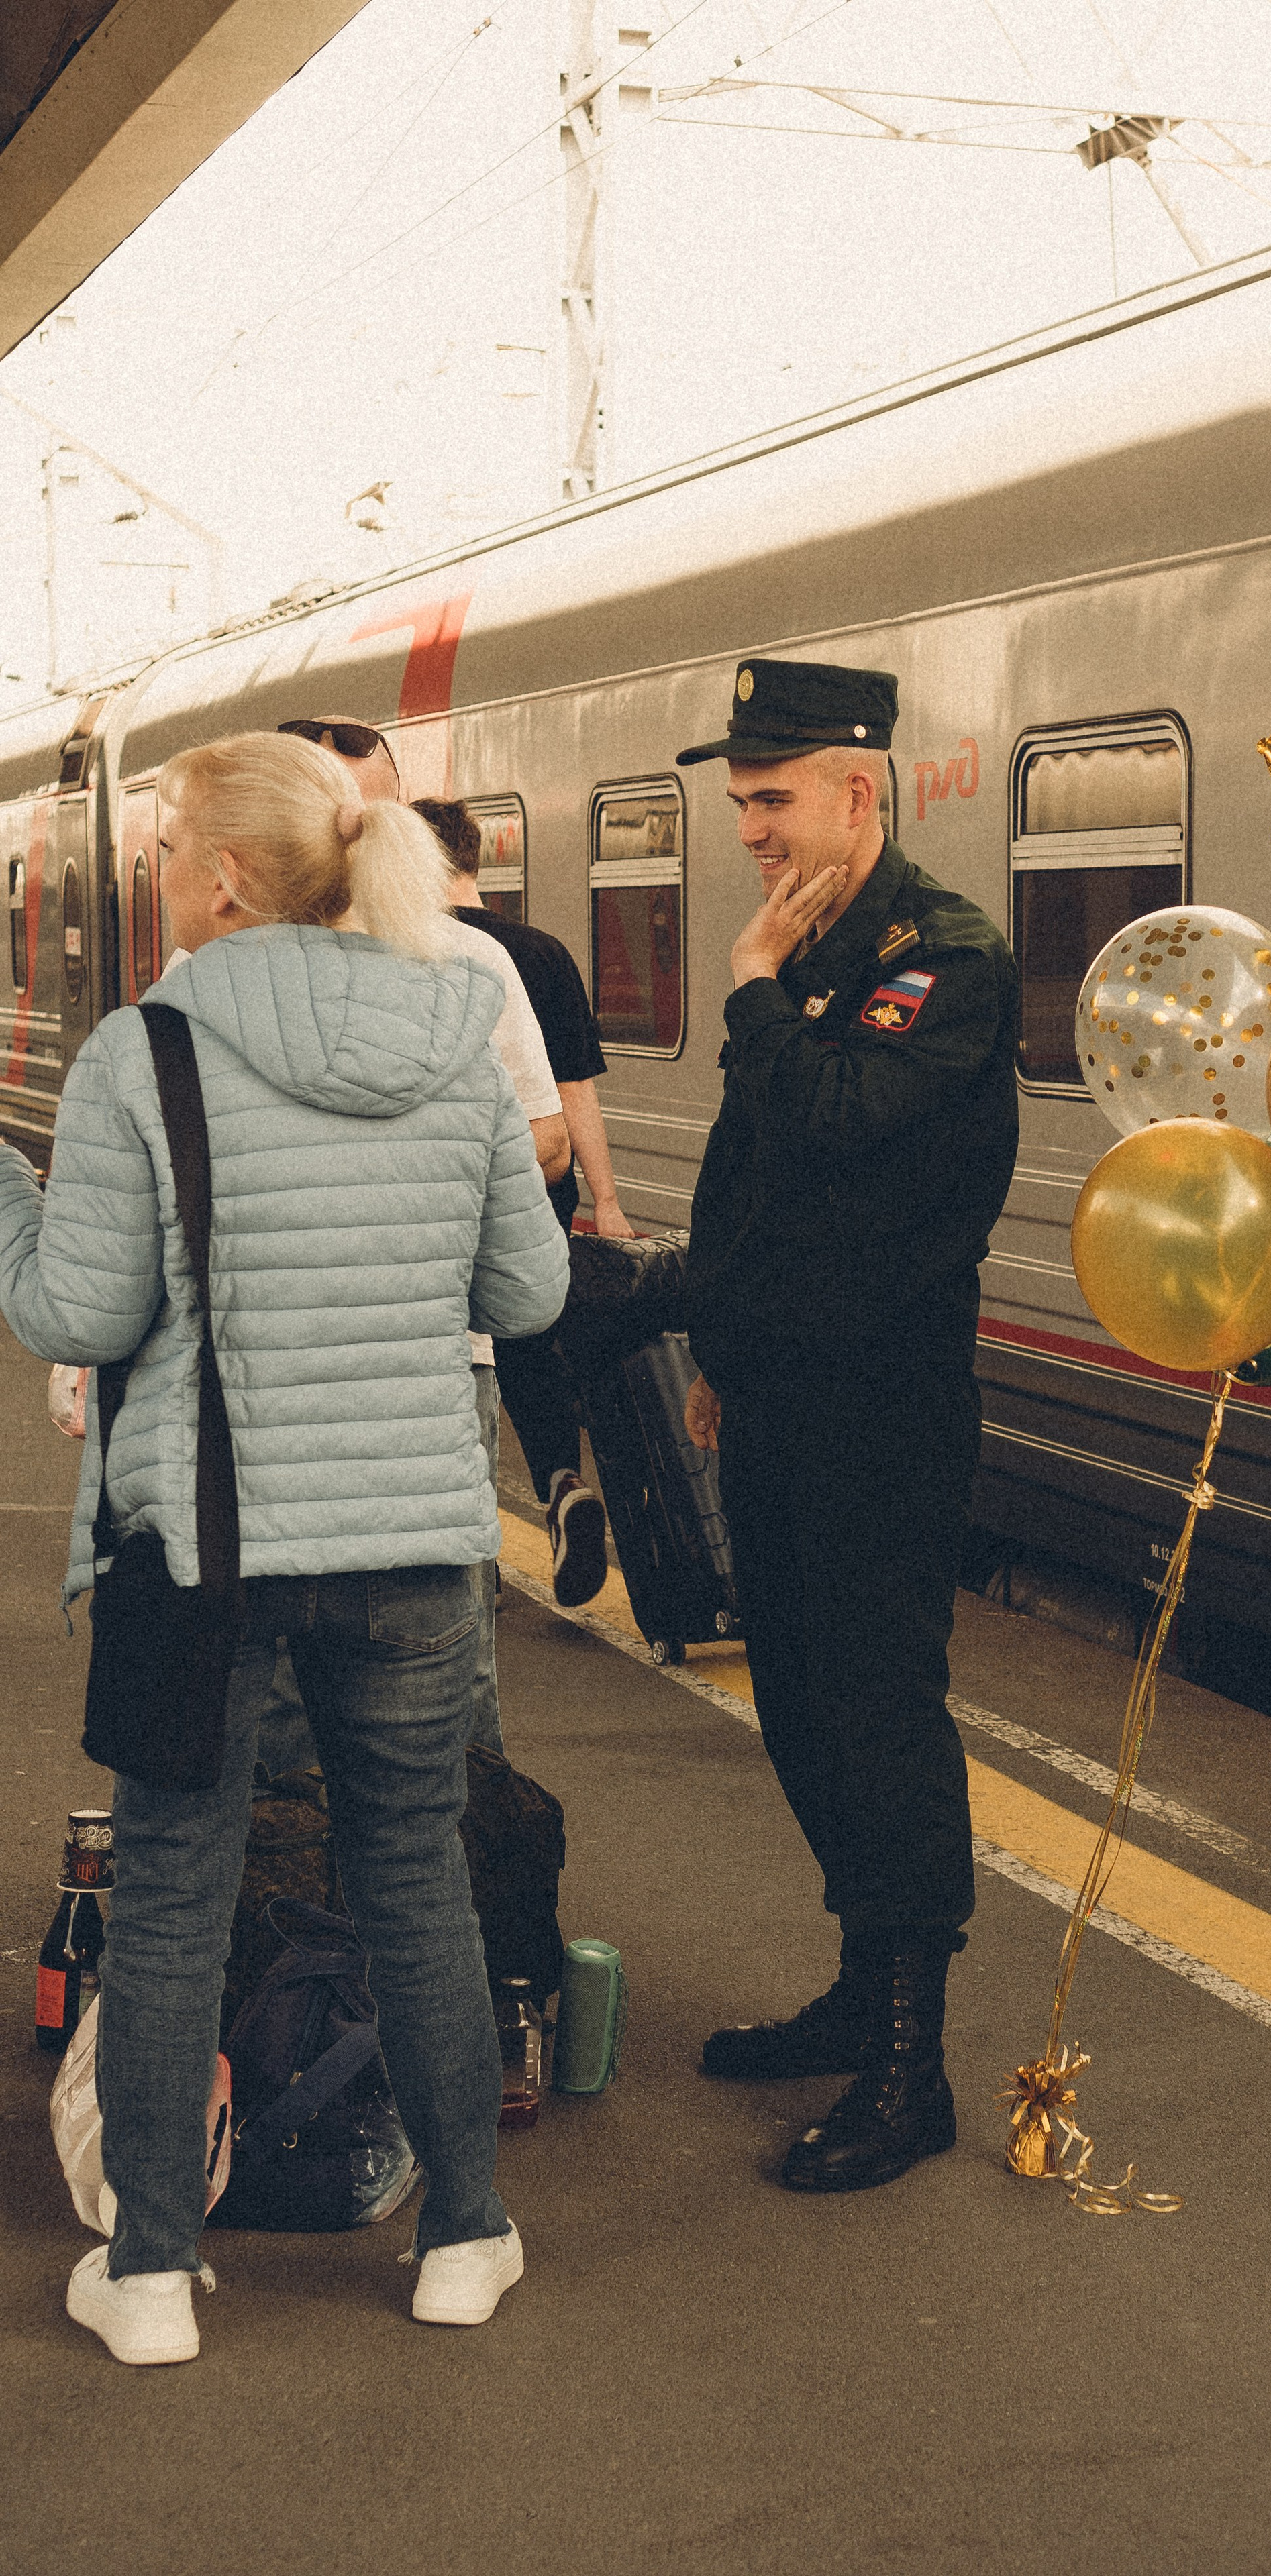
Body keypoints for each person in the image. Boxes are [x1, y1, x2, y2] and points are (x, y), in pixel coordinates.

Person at [0, 732, 570, 2361]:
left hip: (207, 1555)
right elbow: (525, 1297)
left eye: (166, 841)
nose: (152, 868)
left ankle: (156, 2273)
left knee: (175, 1897)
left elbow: (76, 1310)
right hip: (410, 1546)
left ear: (227, 875)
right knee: (418, 1885)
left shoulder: (144, 1050)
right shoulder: (457, 1033)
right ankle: (466, 2235)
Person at [676, 659, 1019, 2194]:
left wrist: (750, 982)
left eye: (770, 796)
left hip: (880, 1407)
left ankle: (908, 2064)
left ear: (857, 792)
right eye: (739, 800)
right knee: (802, 1701)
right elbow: (754, 1175)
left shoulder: (940, 953)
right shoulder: (817, 936)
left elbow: (832, 1122)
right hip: (779, 1386)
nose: (747, 826)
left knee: (877, 1710)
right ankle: (852, 1984)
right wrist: (717, 1339)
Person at [243, 723, 570, 1765]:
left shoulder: (206, 987)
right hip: (427, 1366)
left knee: (295, 1657)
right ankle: (455, 1886)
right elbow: (543, 1172)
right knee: (438, 1654)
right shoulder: (467, 964)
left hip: (289, 1377)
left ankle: (311, 1896)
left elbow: (544, 1139)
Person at [412, 796, 631, 1608]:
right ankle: (562, 1481)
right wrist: (604, 1201)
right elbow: (573, 1092)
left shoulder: (415, 949)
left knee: (461, 1359)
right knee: (533, 1342)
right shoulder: (541, 952)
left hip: (451, 1189)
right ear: (475, 858)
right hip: (541, 1186)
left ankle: (471, 1547)